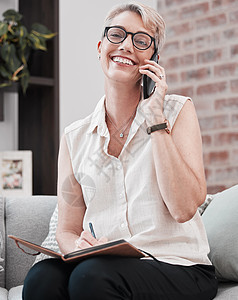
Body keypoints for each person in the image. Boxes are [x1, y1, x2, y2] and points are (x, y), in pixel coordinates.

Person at [22, 2, 218, 299]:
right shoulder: (75, 137)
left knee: (92, 277)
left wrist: (155, 121)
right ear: (100, 47)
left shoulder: (177, 112)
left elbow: (183, 208)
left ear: (153, 59)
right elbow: (66, 229)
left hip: (179, 266)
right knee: (42, 278)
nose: (126, 45)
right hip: (107, 265)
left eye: (141, 41)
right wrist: (76, 248)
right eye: (117, 35)